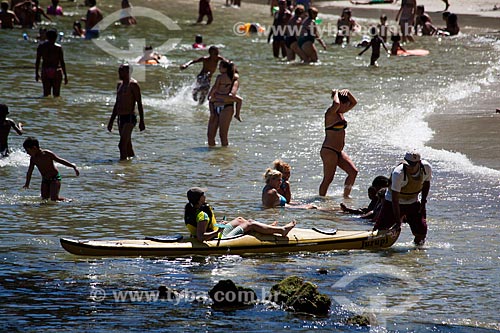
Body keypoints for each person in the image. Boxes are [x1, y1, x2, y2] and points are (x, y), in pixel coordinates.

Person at [184, 187, 297, 241]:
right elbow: (201, 237)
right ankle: (282, 230)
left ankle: (265, 228)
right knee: (250, 223)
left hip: (216, 233)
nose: (205, 196)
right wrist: (218, 231)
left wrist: (219, 225)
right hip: (219, 237)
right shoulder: (202, 215)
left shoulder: (191, 208)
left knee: (239, 220)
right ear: (200, 199)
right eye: (203, 194)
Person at [373, 151, 432, 246]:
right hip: (392, 202)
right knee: (379, 231)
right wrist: (397, 221)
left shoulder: (426, 168)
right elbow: (395, 199)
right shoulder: (398, 173)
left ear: (419, 163)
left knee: (421, 231)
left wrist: (423, 202)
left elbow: (426, 184)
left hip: (413, 202)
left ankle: (417, 250)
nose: (409, 167)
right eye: (407, 164)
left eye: (412, 165)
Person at [319, 89, 358, 198]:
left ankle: (346, 196)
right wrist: (336, 92)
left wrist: (349, 92)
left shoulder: (340, 113)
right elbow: (336, 103)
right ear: (341, 103)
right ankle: (321, 199)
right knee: (328, 178)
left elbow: (354, 102)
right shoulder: (330, 113)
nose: (347, 107)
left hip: (338, 151)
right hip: (329, 150)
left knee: (353, 172)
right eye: (345, 105)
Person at [107, 64, 146, 161]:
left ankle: (122, 166)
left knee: (121, 145)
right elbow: (117, 103)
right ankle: (131, 167)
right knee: (127, 145)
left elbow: (139, 103)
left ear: (128, 72)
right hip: (121, 118)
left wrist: (142, 121)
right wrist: (111, 121)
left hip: (130, 118)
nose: (120, 73)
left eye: (122, 71)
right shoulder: (119, 85)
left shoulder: (133, 85)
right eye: (119, 70)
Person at [22, 137, 79, 201]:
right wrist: (27, 183)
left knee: (54, 198)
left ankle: (70, 201)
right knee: (44, 199)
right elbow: (29, 172)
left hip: (55, 178)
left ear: (34, 148)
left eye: (28, 151)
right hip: (45, 180)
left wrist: (73, 166)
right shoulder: (33, 159)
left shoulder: (47, 154)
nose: (27, 153)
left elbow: (60, 160)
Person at [207, 60, 242, 146]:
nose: (218, 68)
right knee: (210, 135)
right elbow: (232, 94)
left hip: (226, 107)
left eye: (220, 67)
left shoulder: (227, 78)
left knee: (222, 135)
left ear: (225, 68)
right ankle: (214, 155)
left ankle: (224, 157)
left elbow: (215, 87)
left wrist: (211, 95)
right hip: (216, 106)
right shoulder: (233, 78)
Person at [35, 28, 68, 97]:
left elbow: (38, 61)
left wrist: (36, 73)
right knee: (56, 95)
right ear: (56, 37)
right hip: (56, 70)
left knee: (46, 95)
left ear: (46, 37)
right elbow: (62, 62)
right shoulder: (58, 48)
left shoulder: (41, 46)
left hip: (45, 70)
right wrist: (65, 75)